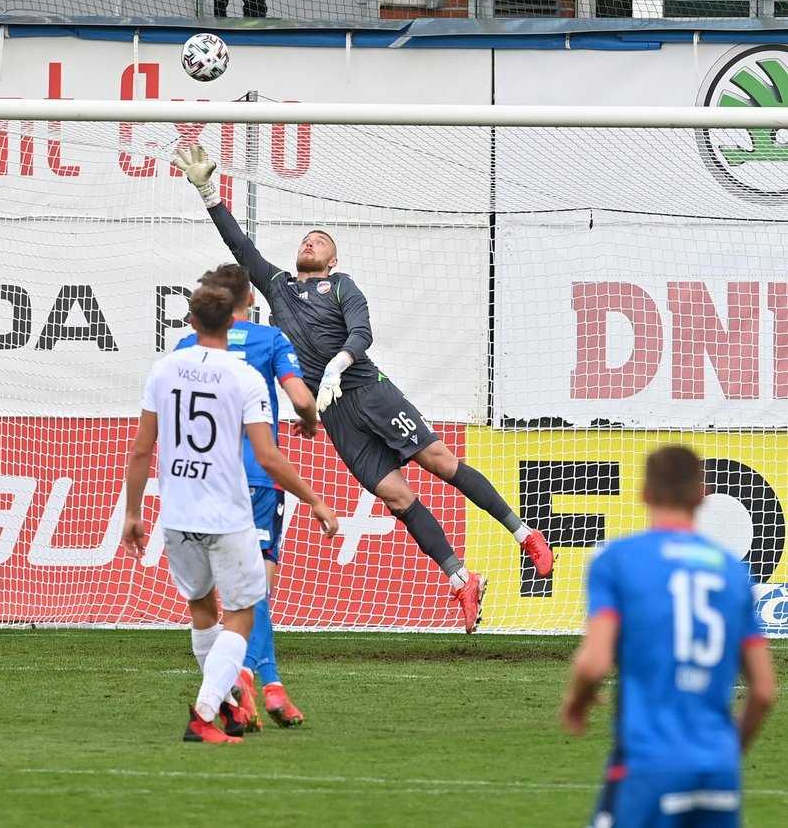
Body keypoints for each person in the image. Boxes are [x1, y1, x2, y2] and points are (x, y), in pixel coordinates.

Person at [171, 144, 553, 633]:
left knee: (439, 462)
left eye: (321, 241)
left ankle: (526, 537)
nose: (311, 243)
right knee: (397, 499)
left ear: (333, 260)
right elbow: (239, 246)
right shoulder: (279, 285)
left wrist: (337, 365)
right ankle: (461, 580)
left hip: (369, 390)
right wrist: (208, 192)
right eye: (306, 239)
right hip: (337, 418)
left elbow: (362, 332)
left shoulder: (342, 286)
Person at [121, 285, 339, 744]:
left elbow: (142, 447)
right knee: (246, 606)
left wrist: (133, 512)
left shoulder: (166, 366)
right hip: (236, 497)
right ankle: (229, 699)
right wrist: (315, 498)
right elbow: (275, 446)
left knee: (202, 607)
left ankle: (231, 702)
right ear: (241, 312)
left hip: (178, 507)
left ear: (192, 322)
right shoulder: (249, 372)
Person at [562, 445, 776, 827]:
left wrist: (576, 701)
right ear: (701, 496)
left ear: (645, 493)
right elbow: (763, 690)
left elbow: (594, 663)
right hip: (719, 770)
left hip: (649, 764)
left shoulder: (617, 559)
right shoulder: (733, 572)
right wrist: (726, 752)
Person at [176, 264, 317, 730]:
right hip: (256, 478)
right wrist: (312, 421)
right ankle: (252, 682)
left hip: (195, 482)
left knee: (214, 599)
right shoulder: (269, 341)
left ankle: (263, 687)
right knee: (255, 589)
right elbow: (300, 398)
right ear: (250, 299)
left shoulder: (182, 348)